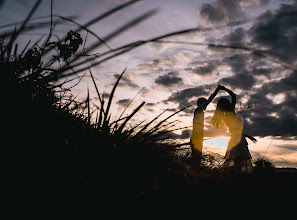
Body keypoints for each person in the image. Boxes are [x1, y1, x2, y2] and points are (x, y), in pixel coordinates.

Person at [212, 86, 256, 172]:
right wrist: (224, 88)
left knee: (237, 160)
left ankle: (234, 176)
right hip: (239, 138)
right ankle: (237, 177)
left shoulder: (225, 116)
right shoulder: (230, 112)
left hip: (236, 137)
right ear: (227, 104)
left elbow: (236, 130)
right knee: (240, 161)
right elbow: (234, 95)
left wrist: (248, 136)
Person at [190, 85, 221, 166]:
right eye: (204, 103)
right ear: (201, 104)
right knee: (196, 156)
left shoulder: (200, 111)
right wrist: (216, 91)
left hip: (198, 135)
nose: (206, 105)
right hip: (197, 135)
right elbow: (209, 100)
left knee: (197, 156)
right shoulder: (199, 110)